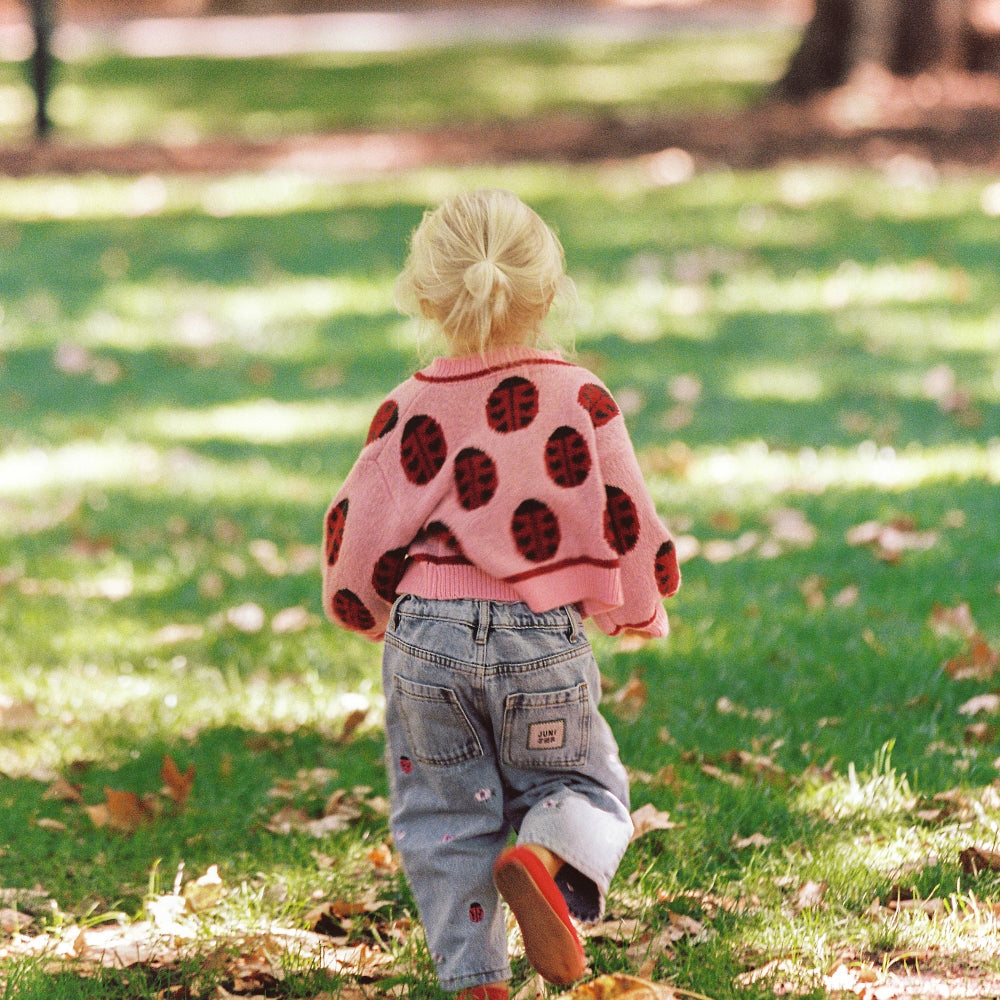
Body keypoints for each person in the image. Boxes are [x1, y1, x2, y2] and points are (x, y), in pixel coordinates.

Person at [322, 189, 680, 1000]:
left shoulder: (408, 405)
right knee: (580, 785)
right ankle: (544, 859)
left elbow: (357, 526)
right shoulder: (580, 397)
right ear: (548, 294)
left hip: (426, 642)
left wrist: (364, 609)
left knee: (445, 817)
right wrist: (637, 605)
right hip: (538, 634)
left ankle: (477, 981)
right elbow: (626, 514)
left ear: (423, 297)